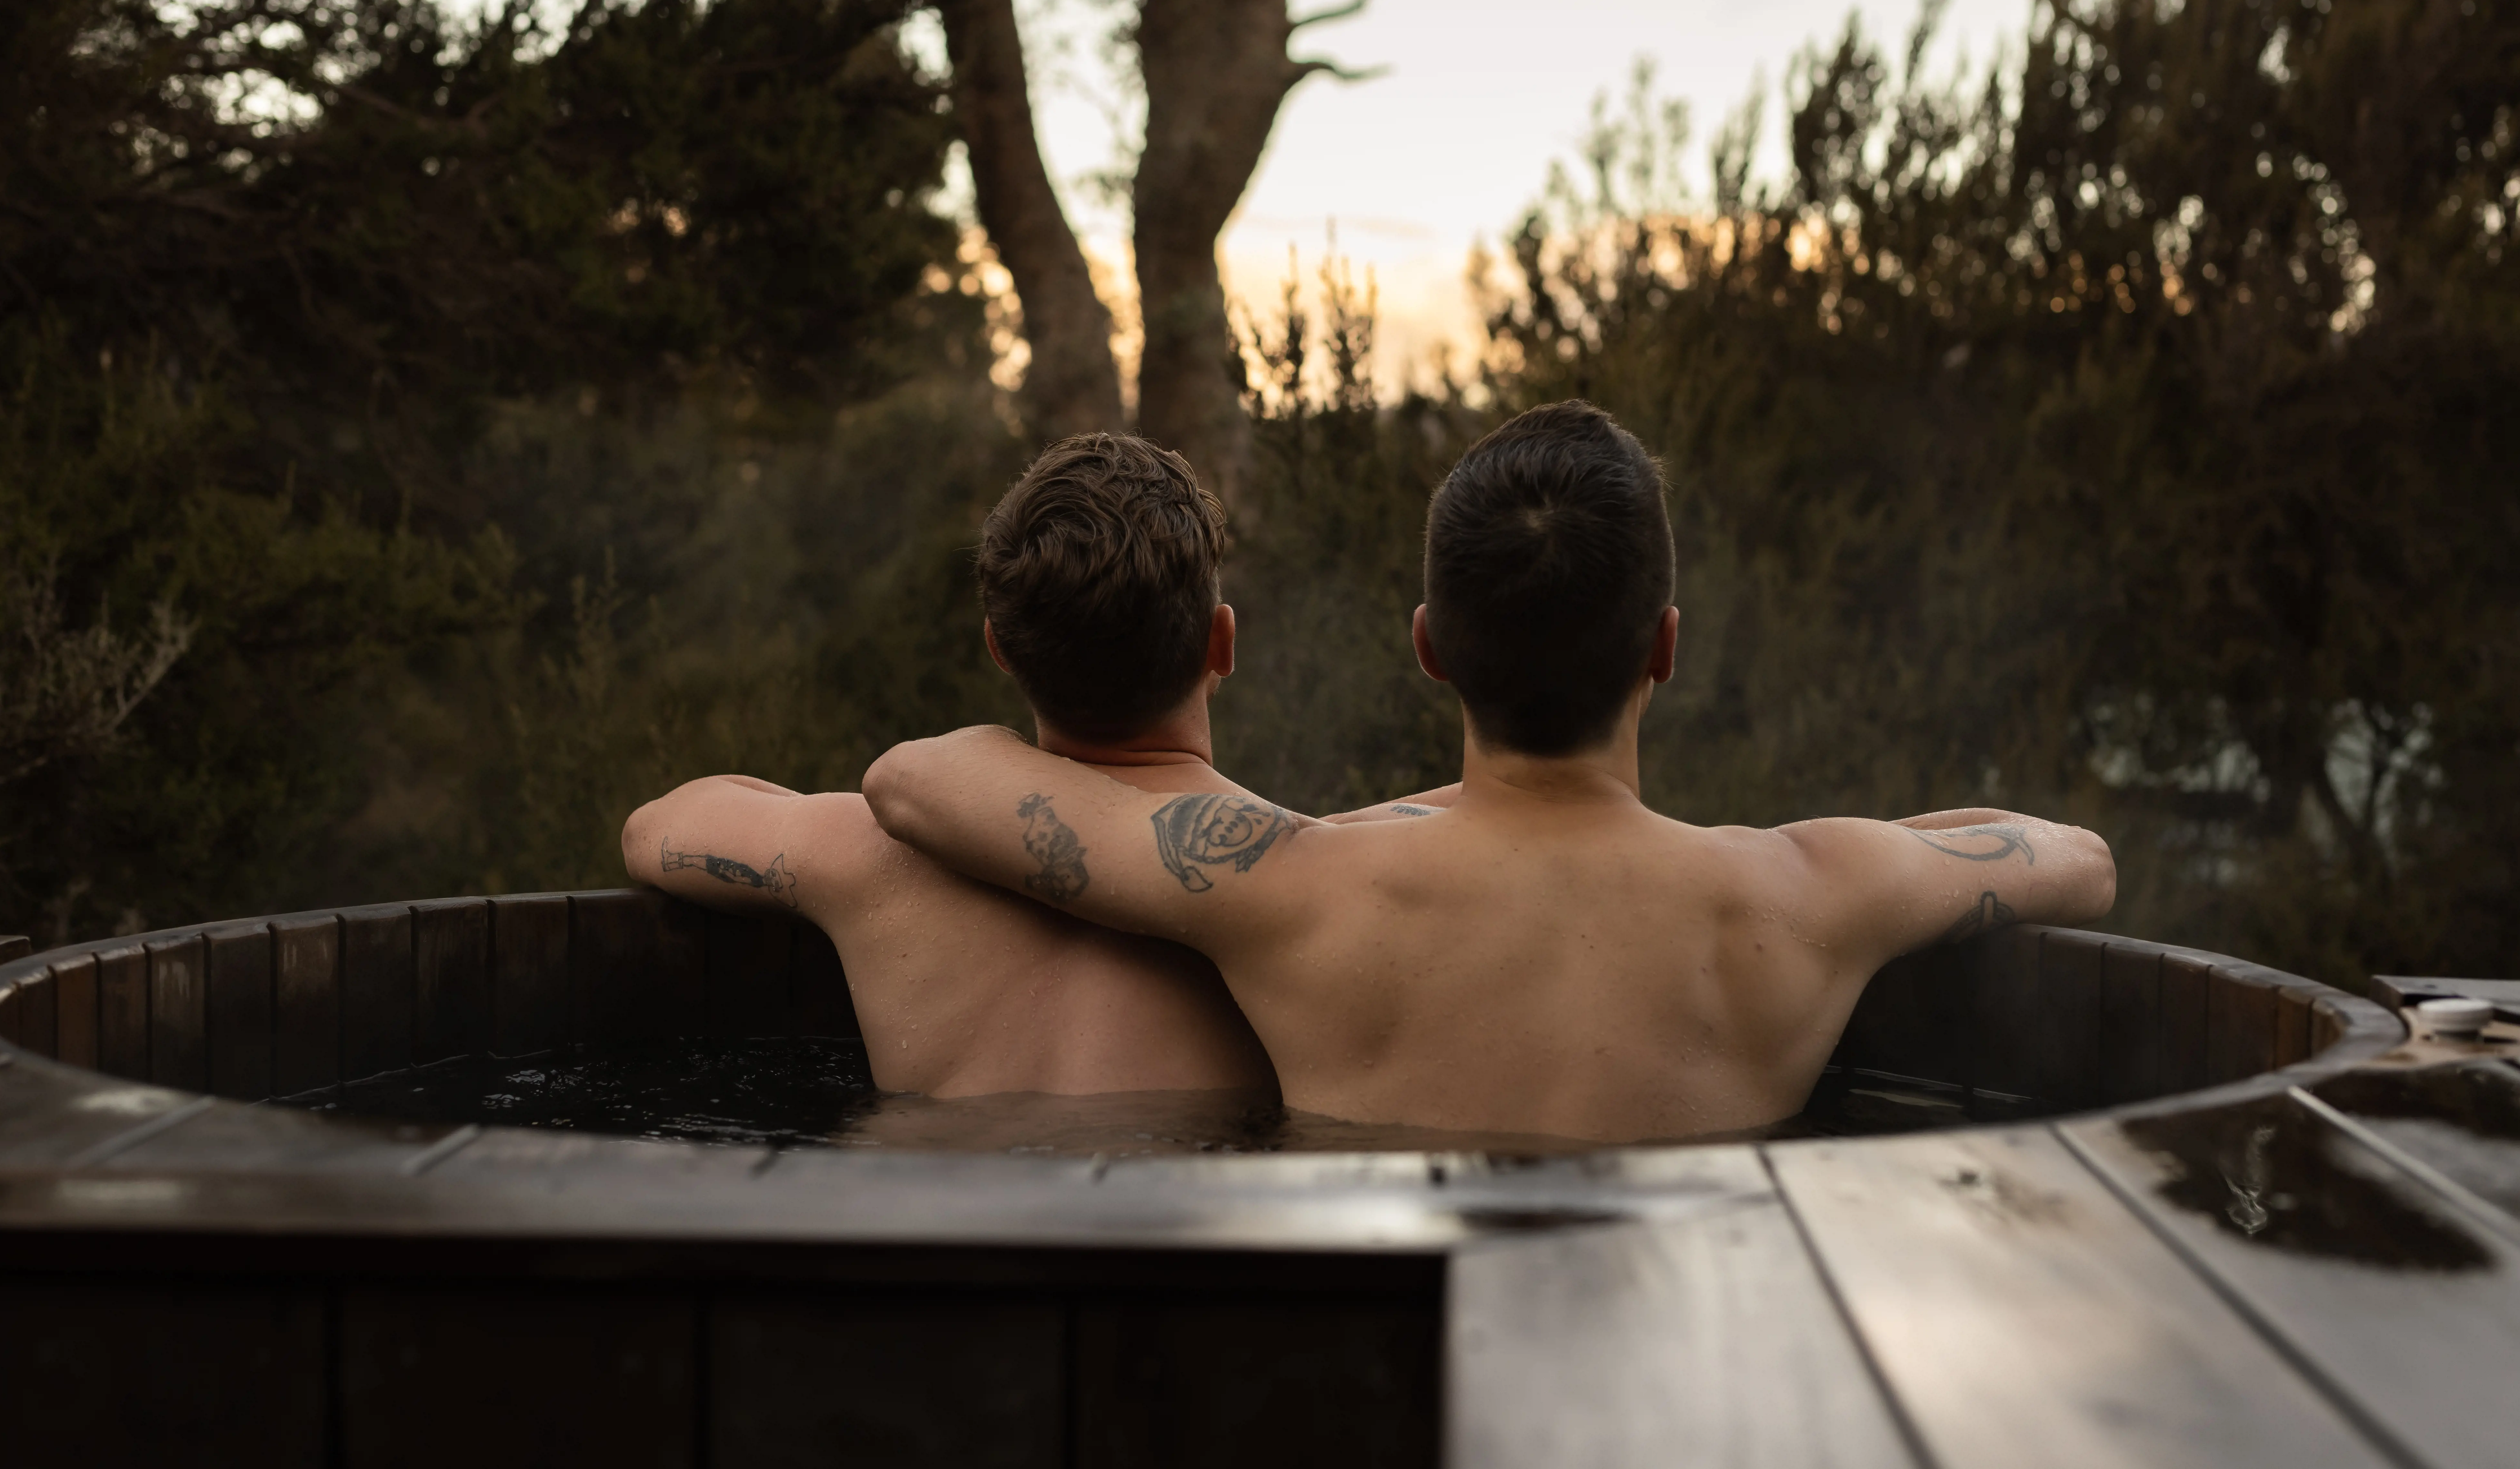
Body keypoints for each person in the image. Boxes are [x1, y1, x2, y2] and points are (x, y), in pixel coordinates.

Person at [864, 401, 2117, 1143]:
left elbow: (918, 784)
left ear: (1427, 647)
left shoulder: (1291, 886)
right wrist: (1865, 851)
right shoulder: (1811, 890)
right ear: (1663, 646)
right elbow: (2074, 857)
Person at [622, 433, 1426, 1101]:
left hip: (944, 1277)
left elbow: (655, 827)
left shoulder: (870, 853)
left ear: (1000, 648)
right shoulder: (1299, 887)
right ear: (1221, 640)